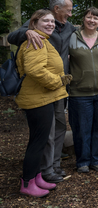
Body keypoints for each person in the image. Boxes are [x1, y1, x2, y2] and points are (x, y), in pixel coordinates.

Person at [8, 0, 76, 183]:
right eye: (68, 10)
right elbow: (11, 37)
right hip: (42, 89)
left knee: (60, 125)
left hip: (60, 88)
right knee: (47, 131)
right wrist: (26, 33)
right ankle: (44, 170)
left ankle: (55, 165)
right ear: (57, 9)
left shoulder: (69, 28)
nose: (70, 13)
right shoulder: (40, 23)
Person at [15, 10, 70, 197]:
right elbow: (34, 69)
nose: (50, 24)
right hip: (38, 99)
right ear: (34, 23)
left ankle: (37, 177)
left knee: (40, 141)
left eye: (52, 21)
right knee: (37, 143)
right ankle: (27, 183)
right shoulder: (35, 41)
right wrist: (57, 81)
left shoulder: (43, 39)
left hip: (45, 97)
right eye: (45, 21)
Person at [68, 7, 98, 173]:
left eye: (96, 19)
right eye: (89, 17)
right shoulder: (72, 37)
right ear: (83, 19)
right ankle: (82, 161)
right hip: (79, 92)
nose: (92, 21)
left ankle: (97, 159)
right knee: (81, 127)